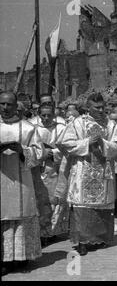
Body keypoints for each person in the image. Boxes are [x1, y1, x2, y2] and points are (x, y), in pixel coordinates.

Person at [57, 93, 117, 256]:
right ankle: (82, 242)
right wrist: (87, 142)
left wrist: (103, 143)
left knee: (102, 207)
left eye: (103, 107)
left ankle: (99, 239)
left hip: (103, 172)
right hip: (82, 170)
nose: (102, 111)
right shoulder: (77, 123)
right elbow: (63, 143)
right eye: (97, 108)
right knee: (82, 206)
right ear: (88, 108)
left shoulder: (110, 124)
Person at [1, 92, 43, 275]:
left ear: (16, 105)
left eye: (9, 104)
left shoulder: (28, 128)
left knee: (21, 215)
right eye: (2, 104)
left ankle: (22, 257)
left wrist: (22, 150)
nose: (5, 107)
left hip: (21, 181)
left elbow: (39, 153)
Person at [31, 104, 68, 246]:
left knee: (52, 199)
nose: (46, 118)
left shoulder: (61, 128)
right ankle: (39, 232)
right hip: (36, 169)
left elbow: (67, 148)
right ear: (38, 114)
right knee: (38, 200)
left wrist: (53, 153)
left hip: (54, 168)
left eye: (49, 115)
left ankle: (51, 231)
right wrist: (40, 154)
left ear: (54, 115)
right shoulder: (32, 127)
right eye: (43, 115)